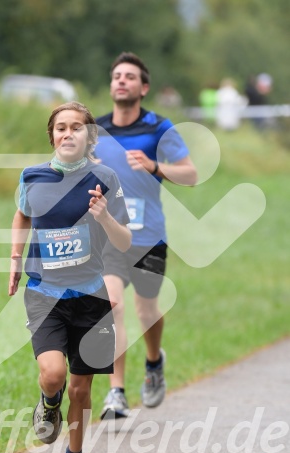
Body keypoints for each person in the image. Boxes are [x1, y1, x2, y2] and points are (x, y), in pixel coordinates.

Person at [8, 101, 131, 453]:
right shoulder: (33, 176)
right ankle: (47, 402)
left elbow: (124, 240)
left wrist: (104, 216)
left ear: (89, 136)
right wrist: (14, 258)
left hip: (91, 296)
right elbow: (22, 215)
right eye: (61, 127)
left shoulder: (105, 178)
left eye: (77, 127)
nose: (68, 133)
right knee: (54, 374)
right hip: (45, 293)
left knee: (82, 391)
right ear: (52, 135)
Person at [95, 52, 197, 420]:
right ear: (111, 85)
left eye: (130, 76)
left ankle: (154, 361)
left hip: (150, 236)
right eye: (116, 75)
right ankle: (116, 392)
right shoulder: (96, 130)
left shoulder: (159, 127)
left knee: (147, 310)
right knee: (112, 305)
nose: (121, 80)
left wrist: (156, 167)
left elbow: (190, 174)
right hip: (109, 235)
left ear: (144, 87)